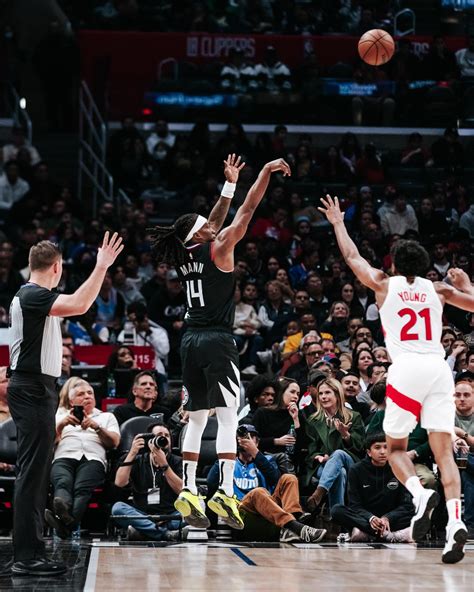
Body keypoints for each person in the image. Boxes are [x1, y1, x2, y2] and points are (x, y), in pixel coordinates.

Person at [319, 193, 474, 563]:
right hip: (439, 369)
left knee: (396, 450)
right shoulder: (439, 289)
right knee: (444, 454)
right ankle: (455, 523)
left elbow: (352, 257)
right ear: (424, 266)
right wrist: (466, 283)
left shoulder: (383, 284)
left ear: (393, 262)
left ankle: (420, 496)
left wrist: (338, 222)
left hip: (406, 370)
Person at [148, 154, 291, 531]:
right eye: (206, 225)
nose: (214, 225)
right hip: (217, 339)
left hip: (189, 340)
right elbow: (248, 209)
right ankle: (225, 490)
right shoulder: (221, 246)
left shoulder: (185, 254)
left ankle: (189, 489)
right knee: (228, 416)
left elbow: (211, 222)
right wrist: (263, 171)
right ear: (200, 233)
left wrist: (229, 183)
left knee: (196, 419)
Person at [6, 233, 123, 576]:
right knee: (32, 474)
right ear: (57, 268)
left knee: (36, 473)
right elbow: (81, 304)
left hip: (35, 387)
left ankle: (31, 552)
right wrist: (101, 266)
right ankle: (27, 557)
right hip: (32, 388)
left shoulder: (31, 296)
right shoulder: (33, 295)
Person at [207, 424, 326, 543]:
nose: (246, 440)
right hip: (243, 511)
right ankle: (296, 527)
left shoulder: (266, 460)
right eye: (242, 437)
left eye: (250, 437)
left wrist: (256, 453)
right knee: (258, 492)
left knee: (289, 478)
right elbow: (211, 483)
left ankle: (292, 523)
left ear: (257, 442)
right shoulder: (228, 464)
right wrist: (228, 453)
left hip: (268, 509)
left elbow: (275, 480)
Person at [44, 379, 120, 538]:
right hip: (64, 455)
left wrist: (97, 427)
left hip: (93, 458)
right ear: (72, 401)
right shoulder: (59, 415)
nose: (87, 396)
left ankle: (64, 522)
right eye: (81, 394)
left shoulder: (106, 416)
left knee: (81, 488)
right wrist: (61, 425)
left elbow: (114, 442)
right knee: (63, 481)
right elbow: (47, 442)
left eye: (90, 393)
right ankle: (67, 521)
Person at [331, 433, 414, 542]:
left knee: (420, 511)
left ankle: (366, 533)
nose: (382, 452)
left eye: (386, 447)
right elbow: (355, 505)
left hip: (391, 518)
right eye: (377, 448)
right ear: (369, 452)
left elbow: (406, 505)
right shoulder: (356, 470)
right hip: (366, 518)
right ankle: (389, 535)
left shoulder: (399, 468)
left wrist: (388, 517)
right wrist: (371, 518)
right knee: (336, 510)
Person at [112, 422, 182, 541]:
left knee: (196, 509)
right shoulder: (138, 460)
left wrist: (164, 465)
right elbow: (120, 482)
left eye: (167, 435)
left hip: (171, 515)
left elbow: (181, 490)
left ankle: (144, 530)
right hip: (142, 514)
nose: (164, 438)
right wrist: (132, 452)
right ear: (149, 440)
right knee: (117, 508)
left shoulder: (177, 461)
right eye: (159, 435)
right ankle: (164, 533)